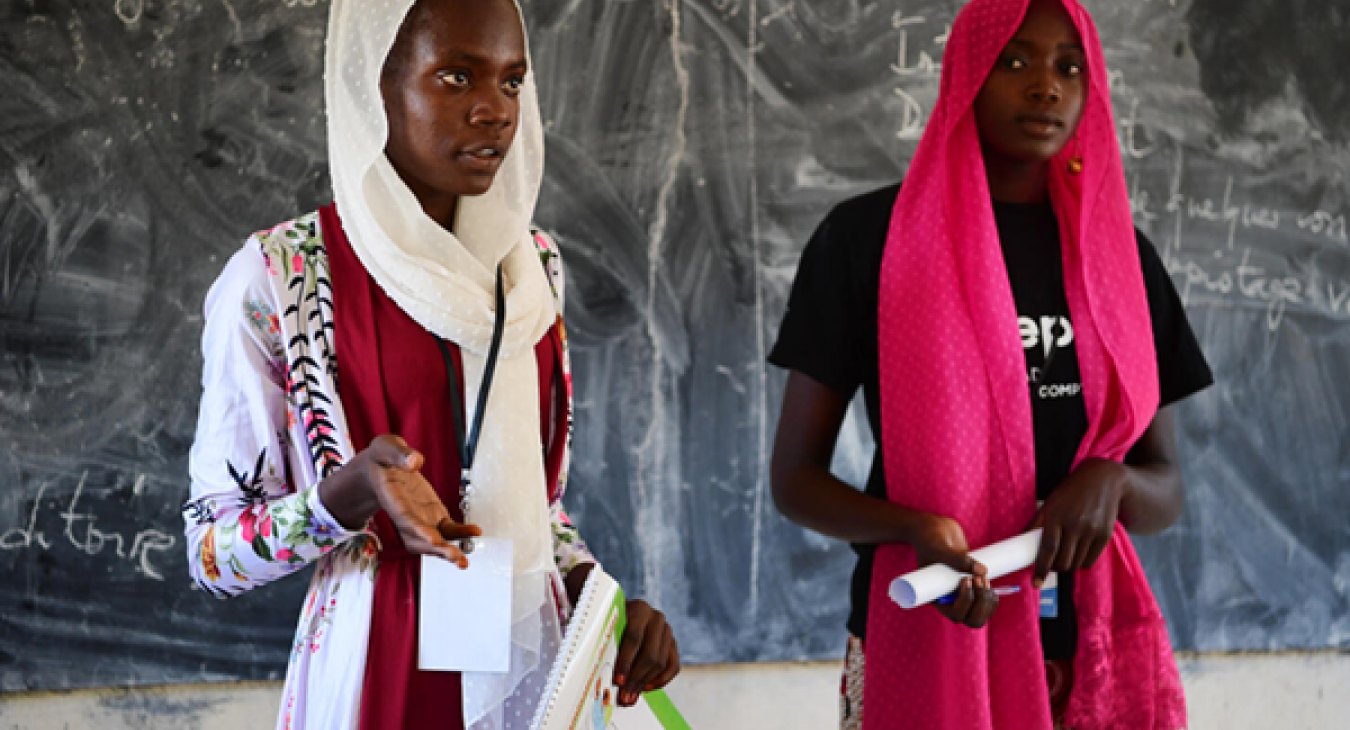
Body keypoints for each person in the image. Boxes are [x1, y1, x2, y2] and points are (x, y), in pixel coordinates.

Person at [181, 1, 679, 728]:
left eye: (512, 82)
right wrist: (346, 496)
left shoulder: (530, 268)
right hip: (377, 673)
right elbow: (212, 554)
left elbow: (536, 507)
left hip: (533, 674)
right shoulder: (285, 275)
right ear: (373, 86)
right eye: (455, 76)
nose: (494, 111)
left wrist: (602, 601)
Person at [767, 0, 1212, 728]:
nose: (1046, 87)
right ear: (967, 73)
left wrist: (1114, 477)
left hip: (1085, 656)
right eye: (1015, 61)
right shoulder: (869, 241)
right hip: (927, 622)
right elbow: (795, 481)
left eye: (1069, 66)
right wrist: (917, 529)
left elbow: (1165, 495)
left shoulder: (1119, 259)